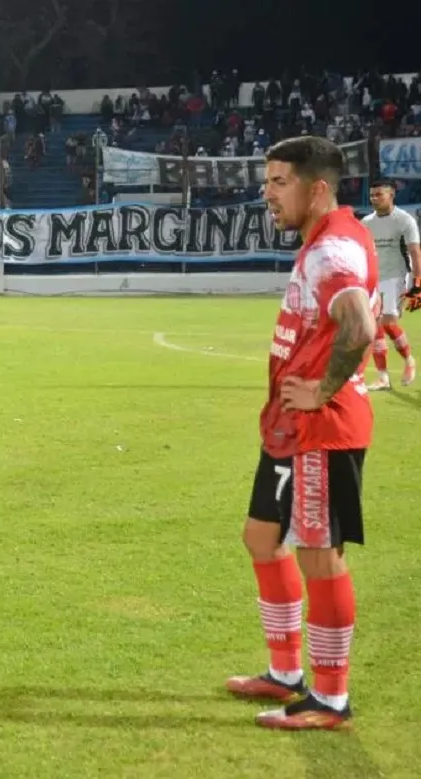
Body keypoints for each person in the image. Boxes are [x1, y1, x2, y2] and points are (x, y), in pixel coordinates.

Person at [226, 136, 378, 730]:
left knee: (320, 556)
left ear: (317, 187)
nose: (267, 193)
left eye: (279, 182)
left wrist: (324, 389)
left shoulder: (333, 248)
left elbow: (359, 328)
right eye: (266, 181)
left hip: (322, 429)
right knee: (263, 537)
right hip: (292, 431)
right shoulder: (325, 237)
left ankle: (331, 700)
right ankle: (286, 672)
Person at [362, 180, 419, 389]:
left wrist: (418, 283)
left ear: (391, 195)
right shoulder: (366, 222)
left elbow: (415, 252)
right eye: (372, 195)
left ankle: (395, 369)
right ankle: (394, 370)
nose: (374, 199)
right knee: (379, 324)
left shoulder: (404, 220)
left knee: (382, 323)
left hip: (397, 276)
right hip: (374, 279)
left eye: (379, 195)